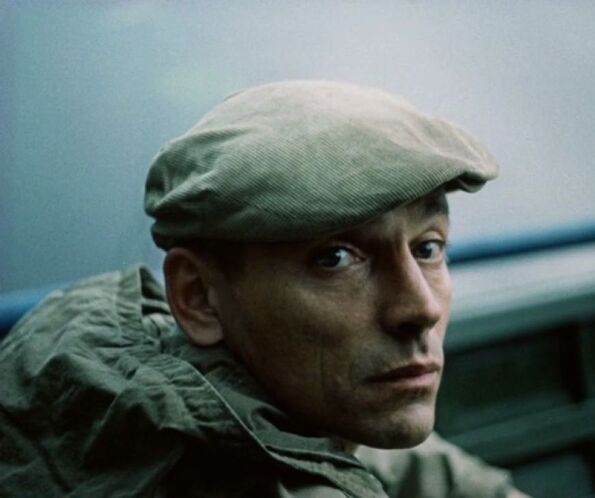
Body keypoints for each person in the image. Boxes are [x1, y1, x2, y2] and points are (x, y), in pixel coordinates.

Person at [0, 81, 530, 497]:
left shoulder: (268, 392)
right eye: (335, 258)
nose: (421, 307)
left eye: (428, 247)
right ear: (198, 298)